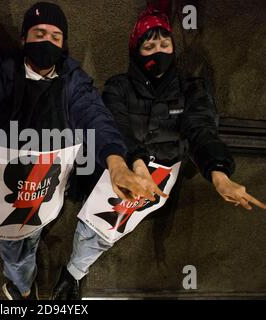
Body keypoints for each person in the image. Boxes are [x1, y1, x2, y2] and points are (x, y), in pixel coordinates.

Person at [0, 2, 163, 300]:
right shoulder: (1, 68)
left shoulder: (73, 78)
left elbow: (95, 116)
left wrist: (116, 163)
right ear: (23, 39)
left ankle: (25, 267)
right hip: (2, 175)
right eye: (39, 33)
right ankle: (20, 285)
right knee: (12, 239)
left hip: (48, 175)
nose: (47, 40)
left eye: (55, 36)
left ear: (63, 44)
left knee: (36, 227)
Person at [51, 3, 266, 300]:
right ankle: (73, 274)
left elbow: (201, 129)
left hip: (163, 171)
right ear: (135, 52)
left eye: (164, 44)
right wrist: (135, 163)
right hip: (124, 164)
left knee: (121, 223)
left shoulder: (191, 89)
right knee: (98, 222)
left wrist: (218, 172)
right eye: (149, 46)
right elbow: (118, 125)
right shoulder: (119, 86)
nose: (158, 52)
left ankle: (74, 271)